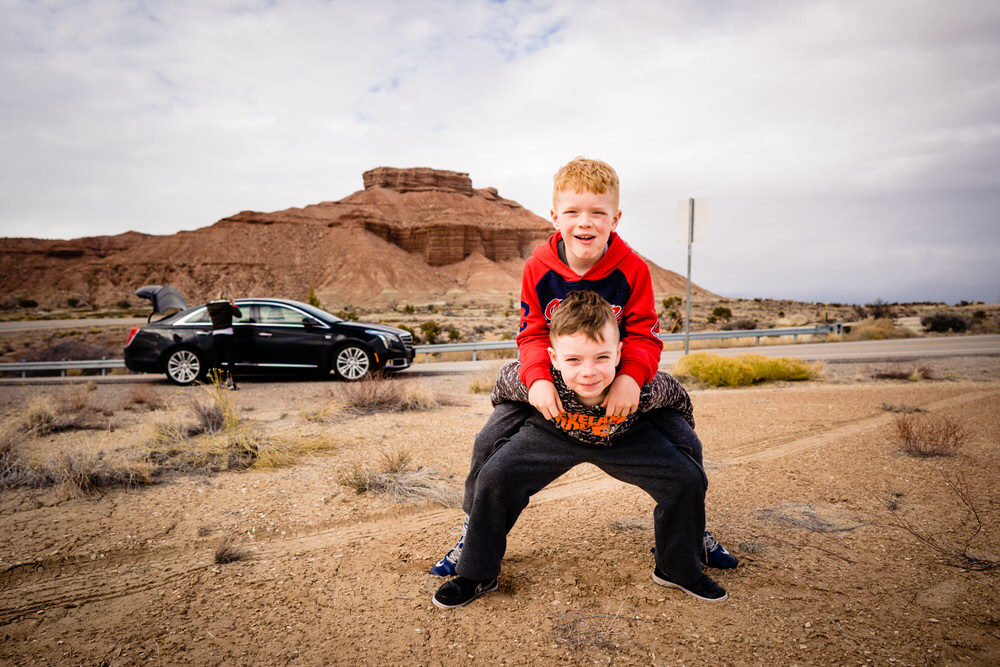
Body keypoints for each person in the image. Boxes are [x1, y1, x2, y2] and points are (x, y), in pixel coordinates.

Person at [430, 157, 736, 576]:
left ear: (616, 218)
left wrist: (630, 379)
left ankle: (692, 530)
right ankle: (473, 529)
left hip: (614, 373)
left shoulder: (633, 269)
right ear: (555, 216)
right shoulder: (538, 268)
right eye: (572, 212)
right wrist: (537, 381)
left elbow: (645, 335)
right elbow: (532, 332)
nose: (584, 223)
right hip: (555, 372)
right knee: (490, 438)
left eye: (597, 212)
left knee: (685, 443)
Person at [432, 291, 727, 608]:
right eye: (573, 359)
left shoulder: (643, 387)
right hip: (552, 432)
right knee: (496, 475)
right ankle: (477, 572)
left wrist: (687, 452)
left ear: (618, 354)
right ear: (554, 358)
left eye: (601, 357)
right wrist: (527, 403)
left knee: (685, 478)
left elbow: (679, 404)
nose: (588, 372)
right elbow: (503, 386)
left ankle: (677, 568)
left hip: (624, 437)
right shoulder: (537, 382)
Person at [206, 291, 242, 390]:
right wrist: (234, 305)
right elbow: (239, 315)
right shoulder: (227, 306)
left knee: (218, 359)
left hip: (216, 335)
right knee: (230, 359)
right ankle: (230, 382)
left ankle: (218, 382)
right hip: (227, 334)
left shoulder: (211, 307)